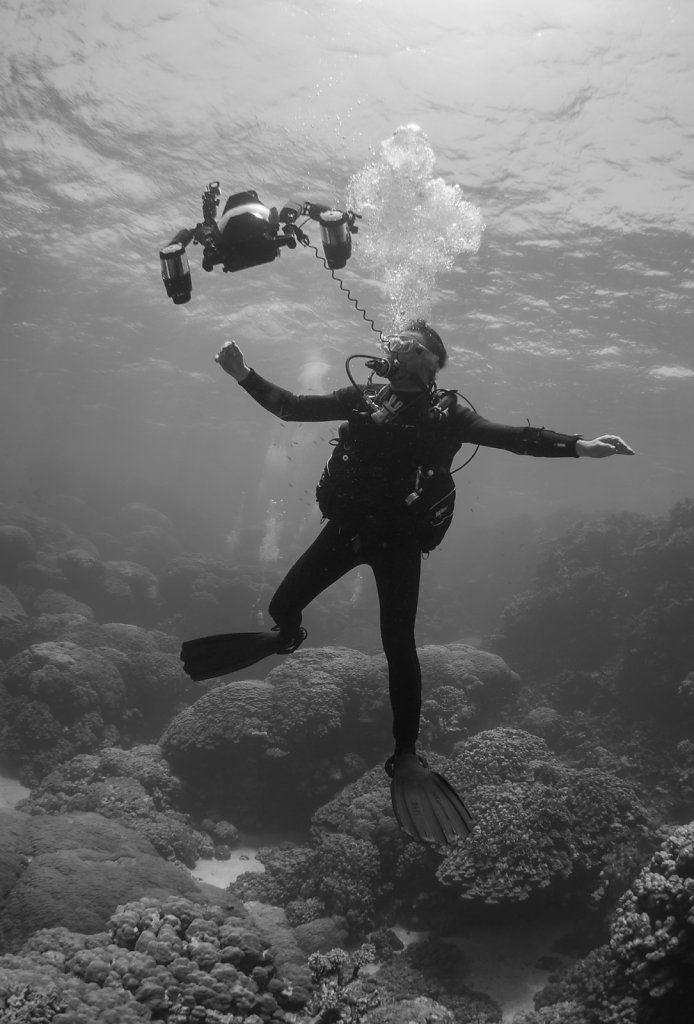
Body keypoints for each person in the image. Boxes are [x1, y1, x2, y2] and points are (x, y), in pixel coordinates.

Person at [181, 321, 634, 845]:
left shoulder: (449, 414)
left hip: (399, 542)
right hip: (347, 529)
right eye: (395, 340)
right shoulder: (362, 396)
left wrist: (581, 446)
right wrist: (243, 374)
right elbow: (292, 407)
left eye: (410, 344)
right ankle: (286, 637)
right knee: (283, 607)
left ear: (431, 361)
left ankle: (407, 755)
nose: (395, 345)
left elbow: (514, 438)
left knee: (398, 644)